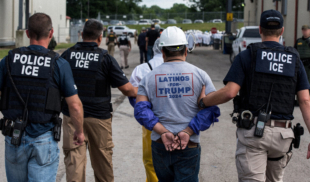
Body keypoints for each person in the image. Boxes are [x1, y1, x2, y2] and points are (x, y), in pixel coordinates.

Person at [199, 10, 310, 181]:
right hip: (283, 136)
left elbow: (229, 92)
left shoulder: (247, 55)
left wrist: (204, 101)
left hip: (254, 133)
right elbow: (304, 100)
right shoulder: (294, 59)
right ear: (281, 31)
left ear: (260, 29)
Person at [0, 13, 85, 182]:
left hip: (14, 136)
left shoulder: (8, 60)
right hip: (43, 138)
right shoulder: (58, 64)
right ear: (51, 33)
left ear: (27, 33)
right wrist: (79, 131)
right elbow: (75, 105)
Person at [134, 26, 220, 182]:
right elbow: (211, 110)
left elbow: (141, 110)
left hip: (161, 144)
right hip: (189, 144)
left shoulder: (148, 77)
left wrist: (162, 131)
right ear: (186, 50)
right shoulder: (201, 75)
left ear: (163, 52)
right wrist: (187, 131)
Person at [60, 19, 137, 182]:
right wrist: (144, 91)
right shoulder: (105, 58)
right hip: (99, 118)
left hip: (72, 118)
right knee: (103, 165)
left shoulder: (67, 55)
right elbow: (127, 89)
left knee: (74, 163)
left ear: (81, 35)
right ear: (100, 37)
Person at [129, 39, 163, 182]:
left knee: (151, 161)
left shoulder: (141, 69)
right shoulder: (186, 69)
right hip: (179, 121)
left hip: (150, 122)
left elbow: (133, 97)